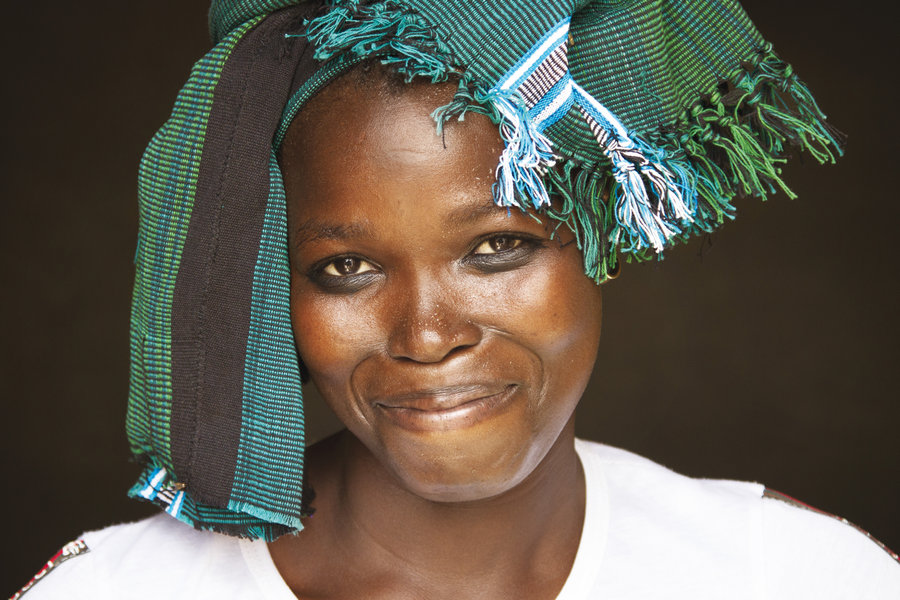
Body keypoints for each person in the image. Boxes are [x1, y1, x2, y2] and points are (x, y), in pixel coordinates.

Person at [12, 0, 899, 598]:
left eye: (496, 247)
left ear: (601, 240)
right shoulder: (119, 592)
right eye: (346, 269)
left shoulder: (791, 576)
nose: (427, 334)